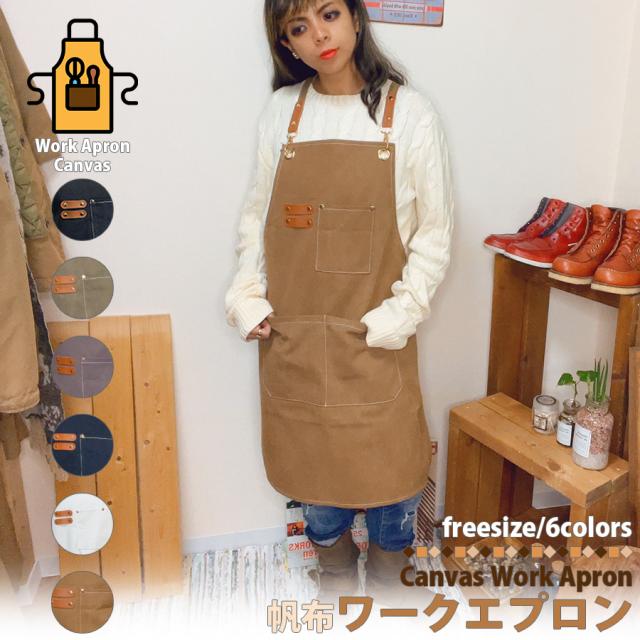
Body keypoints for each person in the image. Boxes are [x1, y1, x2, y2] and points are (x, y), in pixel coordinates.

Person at [224, 0, 454, 606]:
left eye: (328, 14)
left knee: (393, 487)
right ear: (287, 44)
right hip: (295, 341)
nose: (319, 36)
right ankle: (332, 572)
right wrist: (246, 294)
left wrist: (399, 316)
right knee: (315, 484)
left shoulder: (410, 114)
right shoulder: (282, 114)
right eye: (299, 27)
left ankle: (388, 580)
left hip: (374, 342)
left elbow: (434, 235)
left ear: (355, 17)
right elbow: (257, 219)